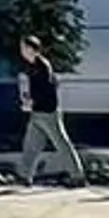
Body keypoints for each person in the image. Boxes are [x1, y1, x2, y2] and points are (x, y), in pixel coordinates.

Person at [12, 35, 82, 186]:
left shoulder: (42, 66)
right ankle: (24, 176)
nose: (21, 51)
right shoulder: (31, 65)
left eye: (23, 47)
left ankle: (77, 176)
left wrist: (31, 101)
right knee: (30, 145)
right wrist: (28, 100)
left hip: (48, 113)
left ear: (31, 49)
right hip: (37, 113)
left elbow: (45, 90)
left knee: (61, 144)